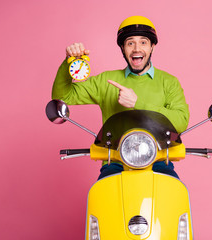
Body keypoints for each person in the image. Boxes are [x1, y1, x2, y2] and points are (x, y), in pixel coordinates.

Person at [52, 16, 189, 180]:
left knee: (175, 198)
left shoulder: (169, 82)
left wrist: (136, 103)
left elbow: (181, 121)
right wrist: (69, 62)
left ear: (152, 47)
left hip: (159, 161)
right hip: (115, 162)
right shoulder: (106, 80)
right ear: (123, 49)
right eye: (130, 43)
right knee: (102, 201)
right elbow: (62, 96)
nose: (137, 48)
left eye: (143, 42)